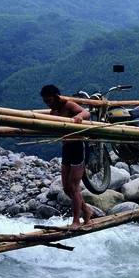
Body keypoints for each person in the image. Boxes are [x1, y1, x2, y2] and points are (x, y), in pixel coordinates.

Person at [40, 84, 93, 230]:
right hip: (67, 148)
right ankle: (87, 211)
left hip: (78, 146)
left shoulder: (68, 105)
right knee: (66, 189)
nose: (48, 104)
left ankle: (77, 220)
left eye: (49, 100)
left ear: (57, 96)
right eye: (45, 102)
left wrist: (78, 117)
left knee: (74, 187)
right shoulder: (54, 112)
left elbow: (86, 112)